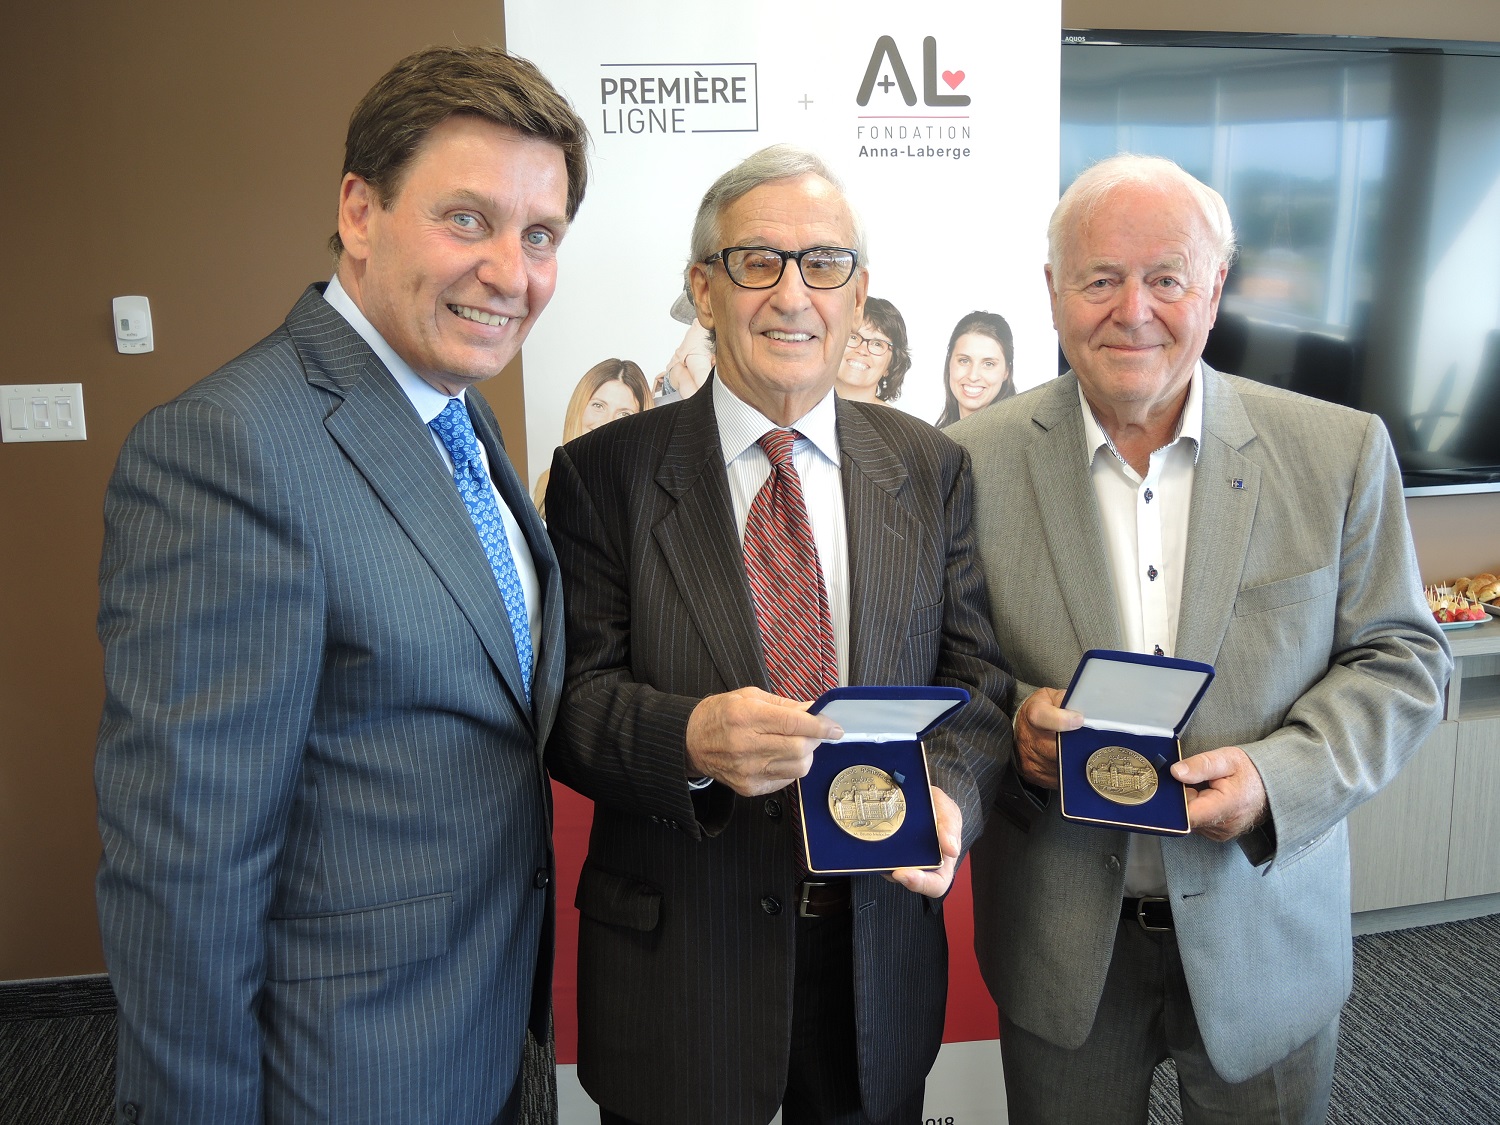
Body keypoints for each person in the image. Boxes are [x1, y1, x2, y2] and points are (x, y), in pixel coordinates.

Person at [94, 46, 588, 1125]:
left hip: (477, 1028)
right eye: (467, 219)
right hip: (340, 1073)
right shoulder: (229, 449)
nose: (510, 273)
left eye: (540, 235)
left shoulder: (459, 414)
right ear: (360, 212)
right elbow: (184, 875)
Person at [949, 154, 1450, 1123]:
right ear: (1052, 291)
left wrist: (1274, 779)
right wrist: (1012, 727)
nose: (1132, 310)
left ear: (1214, 290)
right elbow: (951, 668)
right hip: (1061, 949)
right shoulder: (967, 464)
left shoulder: (1339, 451)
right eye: (1100, 278)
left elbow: (1404, 660)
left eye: (1167, 278)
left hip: (1267, 938)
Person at [544, 144, 1013, 1125]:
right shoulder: (604, 474)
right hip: (682, 974)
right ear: (703, 289)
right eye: (758, 261)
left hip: (874, 963)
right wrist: (687, 741)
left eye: (823, 263)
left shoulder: (932, 469)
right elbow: (571, 705)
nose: (793, 294)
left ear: (858, 292)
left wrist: (952, 797)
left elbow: (977, 688)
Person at [532, 358, 651, 516]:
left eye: (624, 414)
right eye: (598, 405)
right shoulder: (547, 480)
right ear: (579, 407)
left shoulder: (642, 496)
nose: (607, 423)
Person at [936, 310, 1015, 427]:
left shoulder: (1021, 436)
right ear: (949, 363)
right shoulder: (932, 436)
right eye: (964, 361)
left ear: (1006, 371)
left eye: (988, 364)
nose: (973, 376)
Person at [836, 295, 911, 404]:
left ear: (891, 365)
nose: (862, 350)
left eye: (877, 344)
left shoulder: (894, 417)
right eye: (853, 337)